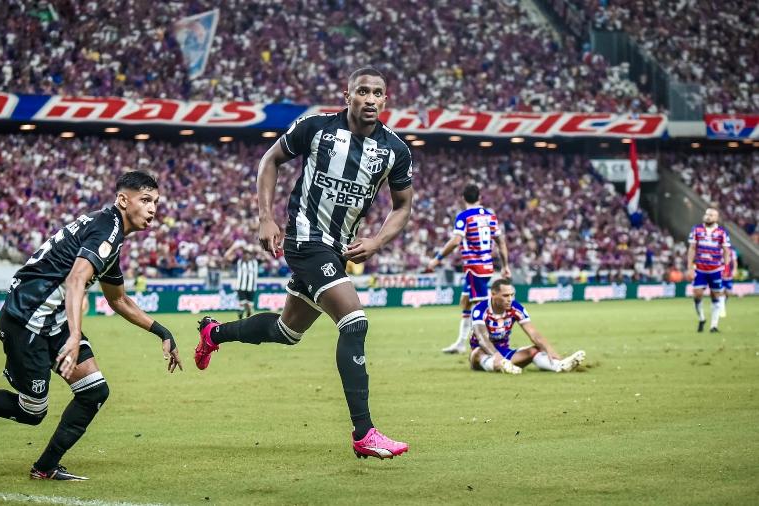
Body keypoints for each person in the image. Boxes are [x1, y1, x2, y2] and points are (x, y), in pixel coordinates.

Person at [194, 67, 413, 459]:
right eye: (361, 91)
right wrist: (265, 216)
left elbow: (402, 206)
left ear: (385, 100)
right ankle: (364, 432)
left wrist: (378, 241)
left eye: (377, 93)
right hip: (306, 240)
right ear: (348, 96)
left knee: (286, 332)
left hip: (339, 250)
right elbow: (270, 160)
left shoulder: (395, 150)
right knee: (355, 322)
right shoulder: (316, 128)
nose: (369, 98)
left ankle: (214, 334)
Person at [0, 171, 184, 481]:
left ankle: (45, 467)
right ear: (122, 200)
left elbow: (118, 300)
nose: (153, 208)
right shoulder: (107, 229)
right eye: (145, 200)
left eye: (156, 202)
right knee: (32, 412)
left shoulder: (109, 233)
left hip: (52, 320)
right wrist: (75, 336)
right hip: (26, 321)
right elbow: (76, 278)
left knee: (94, 392)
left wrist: (162, 332)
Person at [426, 184, 510, 354]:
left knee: (481, 306)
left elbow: (456, 241)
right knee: (465, 302)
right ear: (480, 198)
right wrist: (506, 266)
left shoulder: (464, 216)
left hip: (474, 267)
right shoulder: (490, 216)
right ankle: (460, 343)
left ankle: (492, 342)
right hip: (487, 266)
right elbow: (501, 242)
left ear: (463, 198)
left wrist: (437, 259)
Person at [468, 278, 585, 374]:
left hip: (505, 353)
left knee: (536, 349)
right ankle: (502, 365)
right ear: (493, 295)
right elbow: (482, 339)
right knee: (478, 352)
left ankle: (560, 366)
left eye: (512, 295)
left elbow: (533, 333)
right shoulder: (480, 310)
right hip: (482, 354)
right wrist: (496, 355)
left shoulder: (516, 308)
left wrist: (550, 350)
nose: (510, 299)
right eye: (505, 295)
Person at [686, 207, 731, 333]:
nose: (708, 216)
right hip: (700, 268)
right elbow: (692, 248)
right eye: (706, 214)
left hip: (715, 269)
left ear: (716, 218)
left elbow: (727, 251)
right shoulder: (696, 229)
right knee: (697, 294)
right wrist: (690, 267)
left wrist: (726, 267)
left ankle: (714, 326)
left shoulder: (722, 232)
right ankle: (701, 319)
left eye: (711, 215)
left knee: (715, 295)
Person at [224, 239, 260, 319]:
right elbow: (226, 256)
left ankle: (246, 319)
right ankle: (241, 319)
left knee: (249, 306)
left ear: (251, 255)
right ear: (242, 254)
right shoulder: (239, 261)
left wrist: (258, 249)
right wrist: (233, 248)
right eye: (245, 253)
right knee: (243, 304)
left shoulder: (256, 262)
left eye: (248, 254)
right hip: (241, 287)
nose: (246, 255)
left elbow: (268, 259)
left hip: (252, 288)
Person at [719, 247, 737, 318]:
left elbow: (735, 261)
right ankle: (722, 310)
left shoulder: (732, 251)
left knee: (728, 292)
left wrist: (735, 269)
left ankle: (721, 304)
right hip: (719, 273)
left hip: (728, 274)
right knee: (721, 292)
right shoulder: (718, 249)